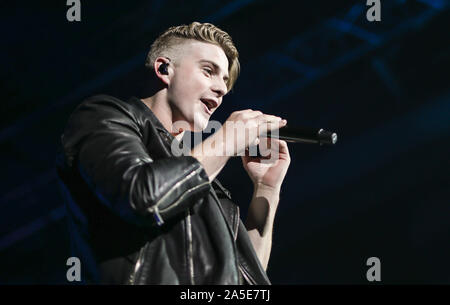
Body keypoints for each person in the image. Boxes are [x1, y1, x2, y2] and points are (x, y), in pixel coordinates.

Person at [56, 21, 290, 285]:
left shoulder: (201, 178)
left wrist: (266, 189)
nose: (222, 89)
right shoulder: (103, 115)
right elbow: (143, 198)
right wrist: (225, 142)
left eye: (225, 80)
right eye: (208, 71)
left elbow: (243, 280)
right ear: (164, 69)